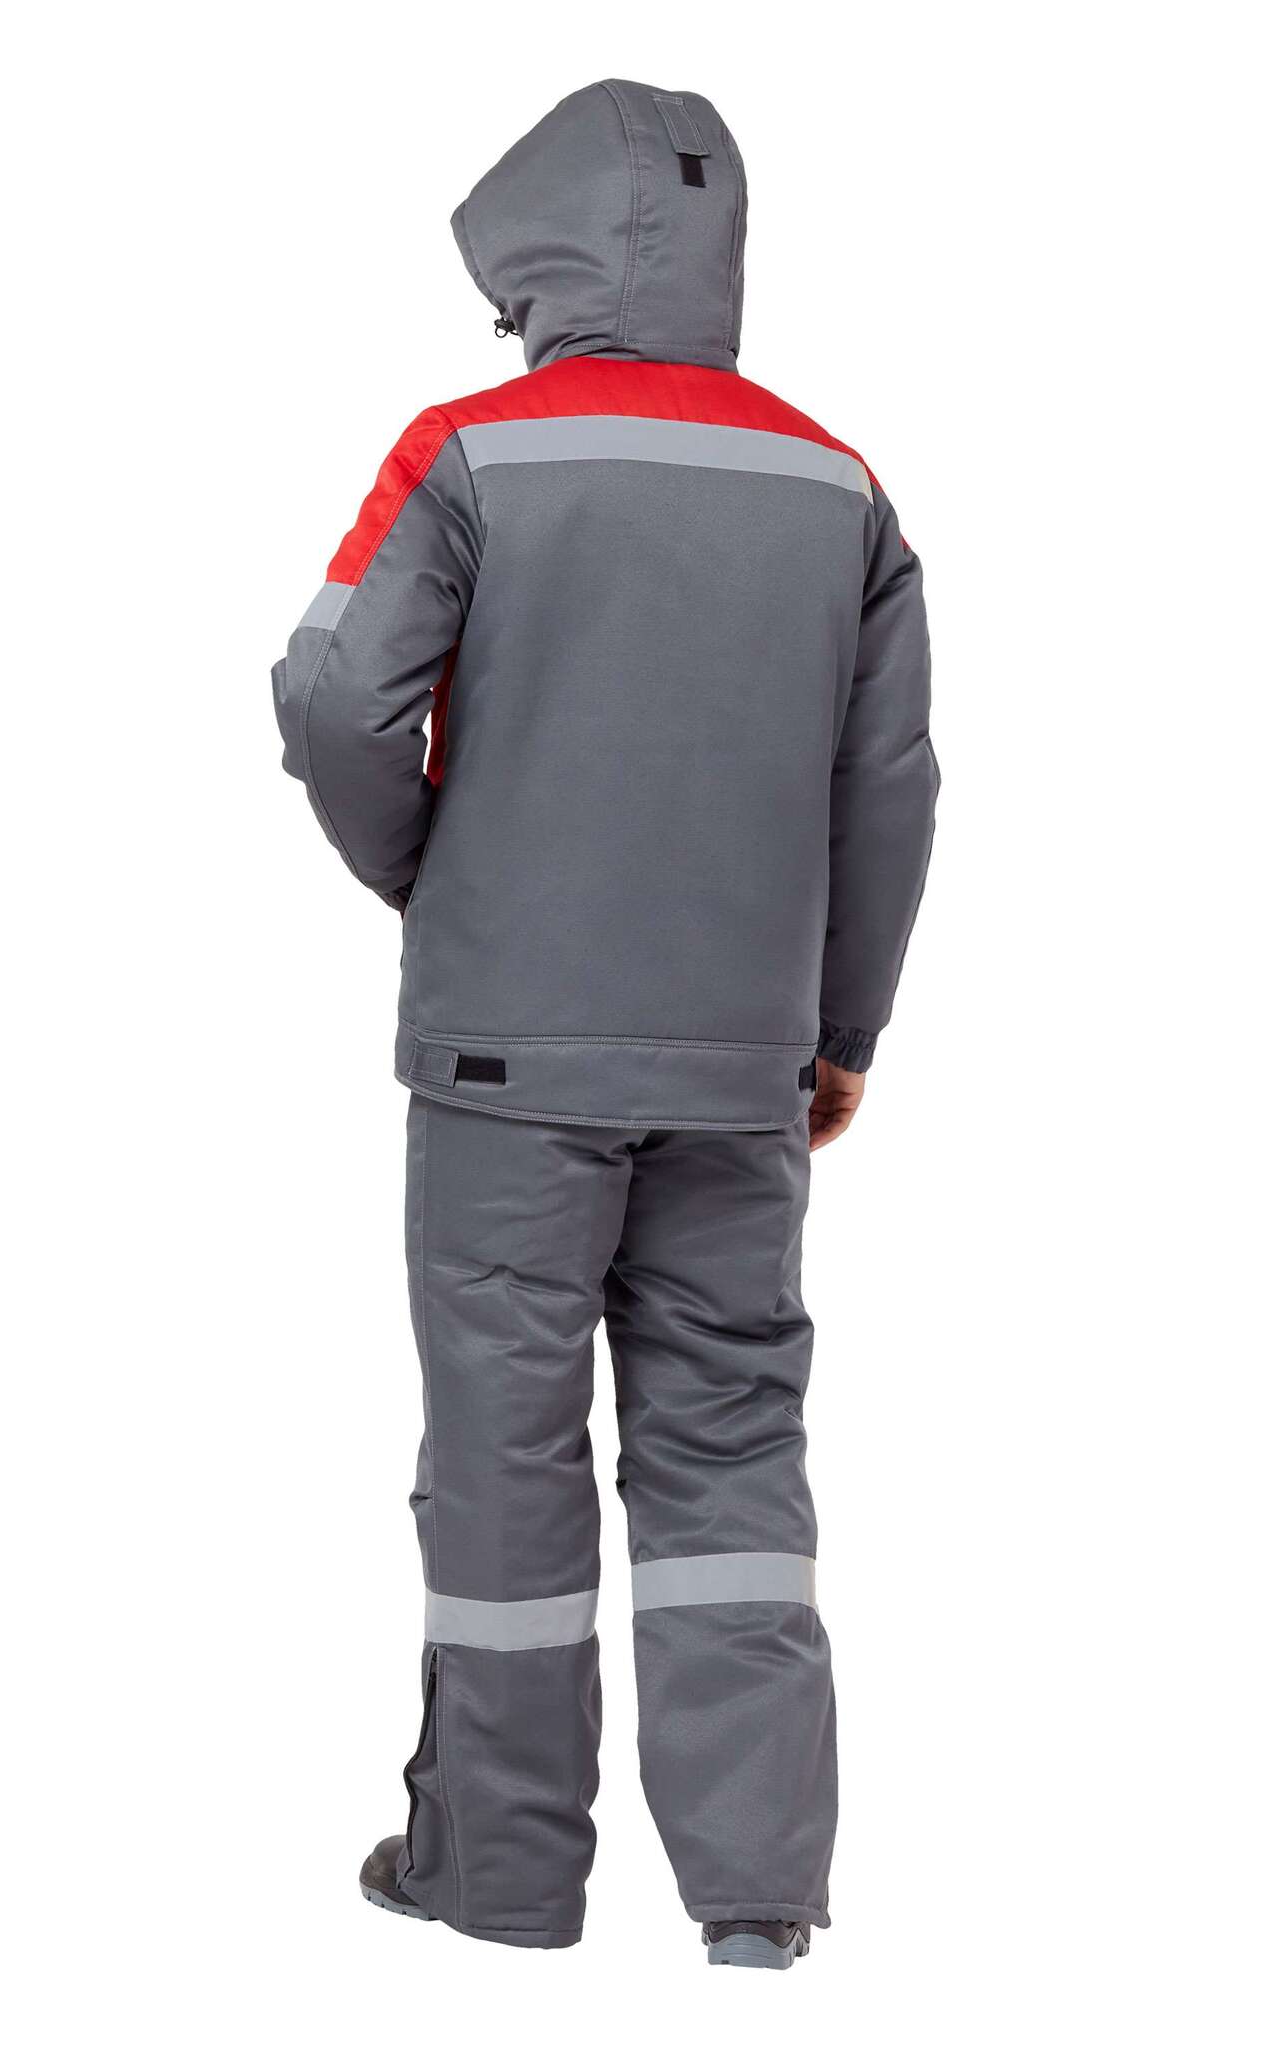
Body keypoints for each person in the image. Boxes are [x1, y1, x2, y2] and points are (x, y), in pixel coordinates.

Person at [271, 78, 937, 1971]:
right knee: (732, 1454)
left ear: (536, 255)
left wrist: (437, 875)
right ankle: (756, 1906)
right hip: (740, 1061)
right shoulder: (839, 483)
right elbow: (887, 788)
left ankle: (498, 1881)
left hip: (506, 1056)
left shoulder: (469, 449)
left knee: (503, 1450)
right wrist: (838, 1034)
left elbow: (329, 701)